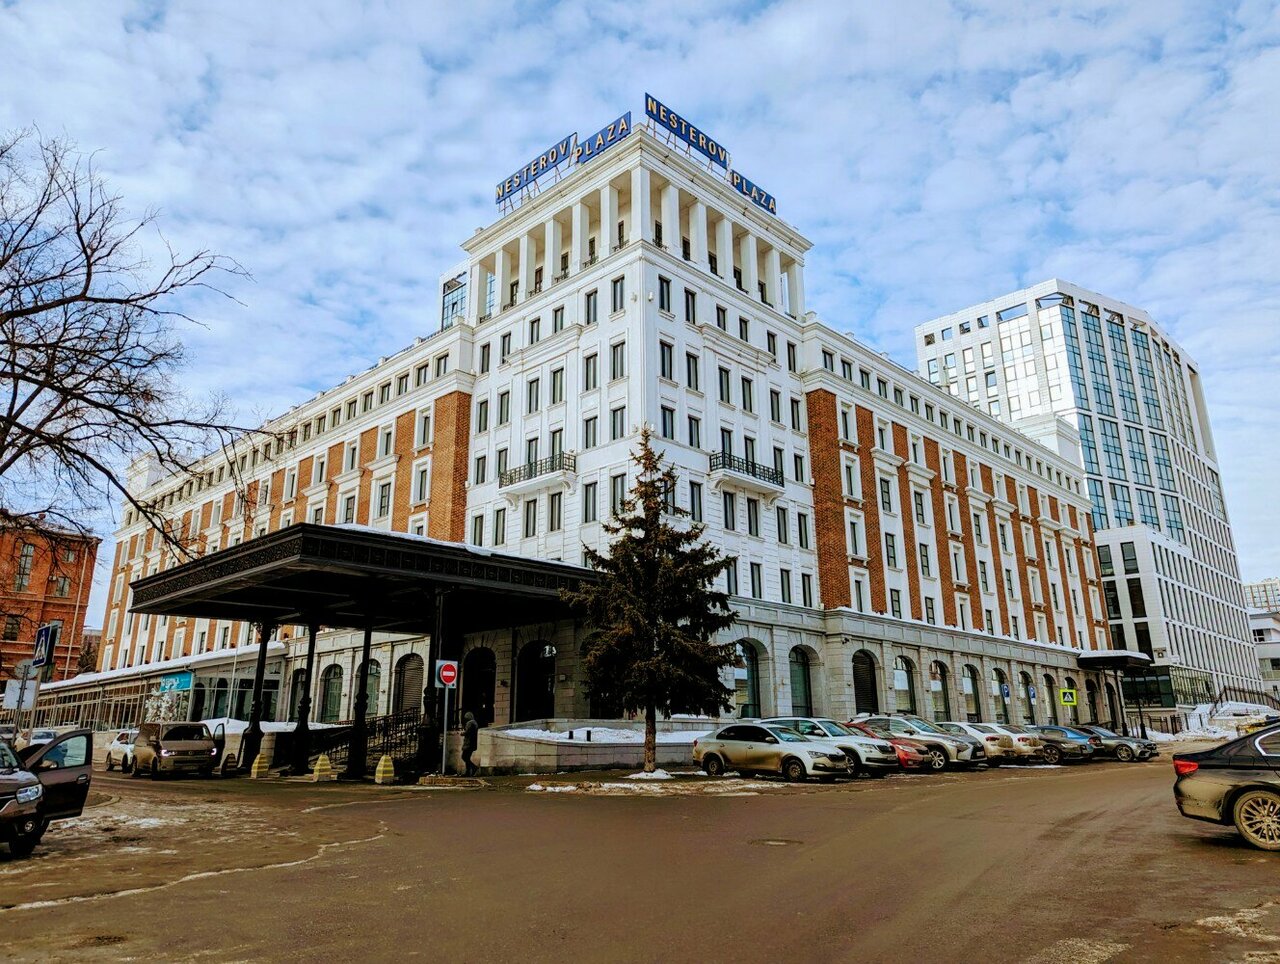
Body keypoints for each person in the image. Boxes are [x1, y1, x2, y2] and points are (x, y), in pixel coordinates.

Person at [461, 711, 479, 777]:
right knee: (467, 757)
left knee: (464, 757)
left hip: (468, 743)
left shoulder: (469, 723)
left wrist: (463, 733)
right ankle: (468, 772)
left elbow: (468, 732)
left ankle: (474, 768)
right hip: (473, 743)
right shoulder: (475, 723)